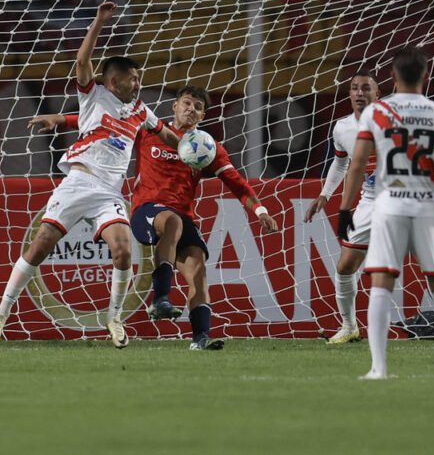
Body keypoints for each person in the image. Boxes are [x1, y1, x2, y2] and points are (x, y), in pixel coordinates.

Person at [0, 1, 181, 348]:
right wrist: (99, 22)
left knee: (122, 251)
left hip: (109, 192)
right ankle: (1, 311)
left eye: (139, 79)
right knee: (41, 244)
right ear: (114, 80)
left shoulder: (140, 109)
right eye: (134, 78)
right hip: (79, 181)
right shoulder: (94, 95)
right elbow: (81, 62)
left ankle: (114, 317)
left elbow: (165, 133)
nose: (138, 84)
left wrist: (188, 144)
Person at [30, 85, 279, 350]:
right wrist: (60, 120)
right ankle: (160, 298)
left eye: (198, 107)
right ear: (175, 106)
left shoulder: (207, 148)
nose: (190, 109)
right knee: (170, 220)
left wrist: (260, 211)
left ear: (203, 116)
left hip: (183, 218)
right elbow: (107, 124)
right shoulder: (150, 130)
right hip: (146, 210)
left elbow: (237, 183)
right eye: (186, 103)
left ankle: (200, 338)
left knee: (197, 269)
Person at [337, 46, 434, 379]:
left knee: (381, 283)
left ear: (393, 77)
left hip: (388, 204)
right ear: (426, 76)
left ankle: (379, 368)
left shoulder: (376, 113)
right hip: (426, 205)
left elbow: (356, 165)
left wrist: (343, 208)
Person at [305, 68, 434, 344]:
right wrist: (325, 195)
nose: (359, 92)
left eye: (366, 88)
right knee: (345, 266)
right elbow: (341, 163)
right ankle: (349, 326)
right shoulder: (342, 127)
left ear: (377, 93)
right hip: (371, 202)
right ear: (349, 93)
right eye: (354, 88)